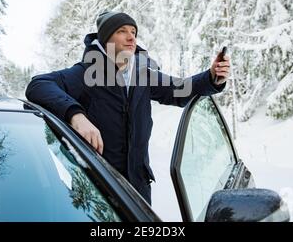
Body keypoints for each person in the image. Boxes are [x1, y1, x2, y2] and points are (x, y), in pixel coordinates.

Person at [25, 11, 230, 205]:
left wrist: (212, 77)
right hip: (101, 188)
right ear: (105, 39)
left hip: (139, 186)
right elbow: (38, 85)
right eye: (122, 31)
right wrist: (76, 115)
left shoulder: (142, 74)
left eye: (133, 32)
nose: (131, 37)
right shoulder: (86, 73)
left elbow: (181, 90)